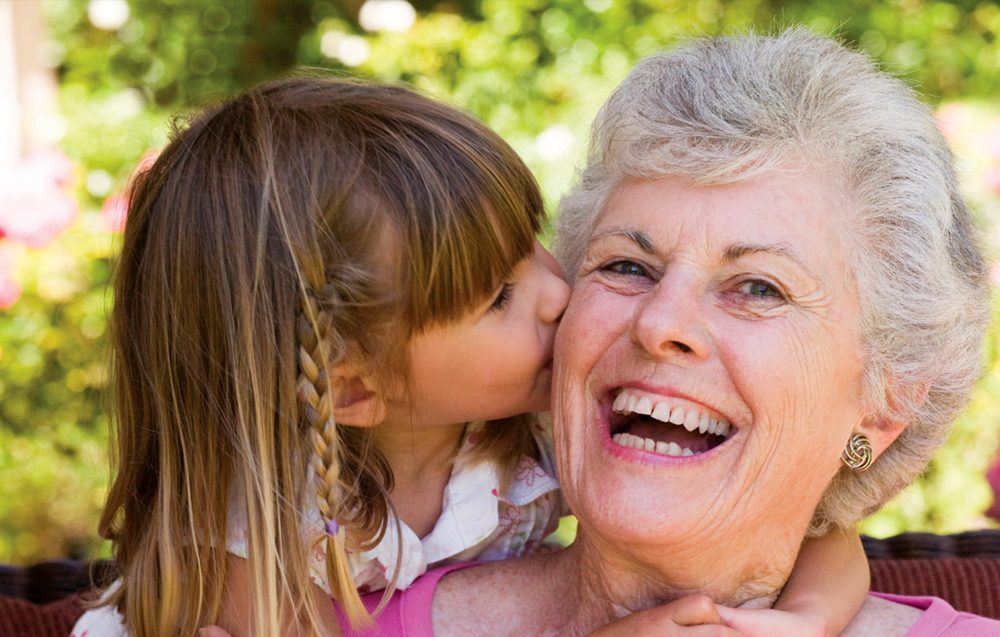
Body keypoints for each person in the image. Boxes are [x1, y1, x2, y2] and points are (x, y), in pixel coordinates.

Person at [74, 76, 868, 637]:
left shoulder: (527, 432)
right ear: (353, 388)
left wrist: (805, 618)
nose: (557, 290)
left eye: (530, 242)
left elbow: (815, 527)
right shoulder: (262, 544)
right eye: (497, 298)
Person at [299, 28, 998, 636]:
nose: (660, 322)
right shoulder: (297, 622)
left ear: (882, 408)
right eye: (627, 266)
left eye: (759, 286)